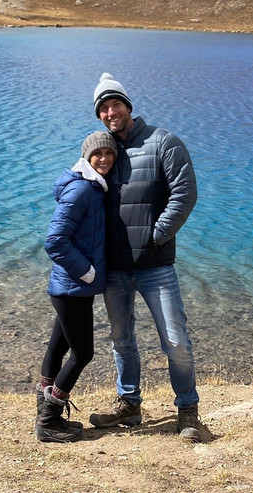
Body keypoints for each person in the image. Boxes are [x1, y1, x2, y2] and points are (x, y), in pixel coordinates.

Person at [87, 73, 207, 441]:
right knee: (121, 340)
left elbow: (184, 193)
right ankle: (129, 404)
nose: (110, 112)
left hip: (156, 266)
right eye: (103, 108)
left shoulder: (163, 142)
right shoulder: (103, 151)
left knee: (176, 341)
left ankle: (187, 411)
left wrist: (157, 235)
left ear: (128, 106)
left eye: (115, 104)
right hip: (116, 268)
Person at [35, 130, 117, 443]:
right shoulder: (82, 190)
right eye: (98, 154)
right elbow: (54, 242)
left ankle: (45, 413)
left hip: (68, 288)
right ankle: (49, 420)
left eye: (110, 154)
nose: (105, 159)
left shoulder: (94, 186)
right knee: (83, 353)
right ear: (86, 157)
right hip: (72, 286)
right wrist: (86, 271)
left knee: (58, 346)